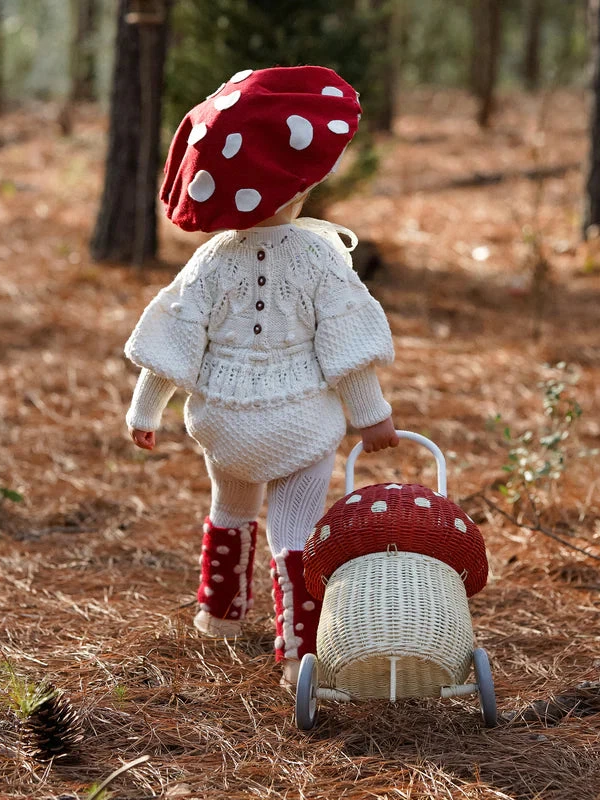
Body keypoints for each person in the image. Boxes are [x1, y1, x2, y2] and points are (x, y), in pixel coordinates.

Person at [124, 65, 398, 685]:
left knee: (230, 507)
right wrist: (372, 417)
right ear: (299, 185)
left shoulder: (210, 261)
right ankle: (300, 652)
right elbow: (346, 346)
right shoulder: (320, 258)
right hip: (300, 424)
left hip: (225, 423)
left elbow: (174, 336)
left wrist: (145, 410)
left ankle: (219, 612)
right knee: (295, 531)